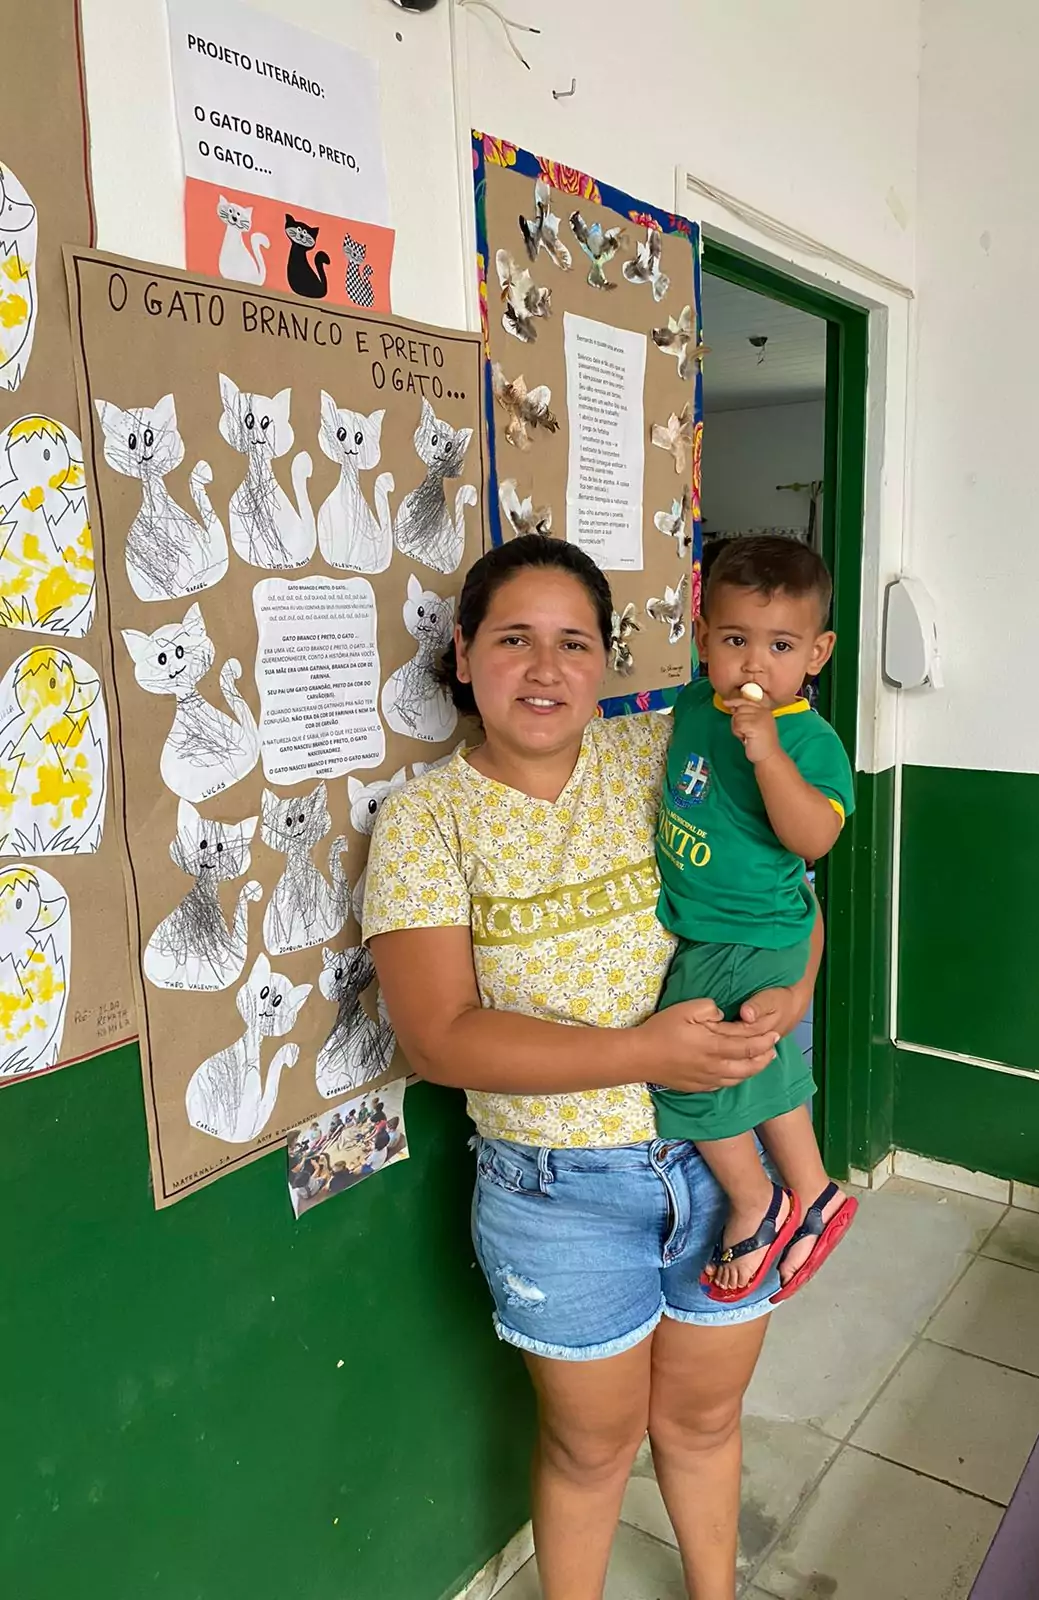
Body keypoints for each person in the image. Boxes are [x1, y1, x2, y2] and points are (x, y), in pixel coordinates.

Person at [364, 535, 822, 1600]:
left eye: (574, 641)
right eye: (515, 638)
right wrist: (641, 1051)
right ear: (465, 653)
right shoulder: (425, 824)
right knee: (591, 1449)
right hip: (558, 1193)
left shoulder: (672, 753)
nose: (545, 666)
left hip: (726, 1167)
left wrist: (795, 993)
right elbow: (438, 1037)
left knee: (705, 1420)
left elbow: (787, 890)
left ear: (605, 662)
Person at [652, 537, 857, 1301]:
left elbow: (816, 839)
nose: (752, 665)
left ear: (817, 652)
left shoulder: (808, 739)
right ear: (703, 639)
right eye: (735, 640)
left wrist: (770, 755)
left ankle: (757, 1200)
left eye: (780, 646)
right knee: (754, 1060)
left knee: (689, 1077)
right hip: (719, 928)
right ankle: (817, 1194)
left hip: (748, 932)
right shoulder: (695, 704)